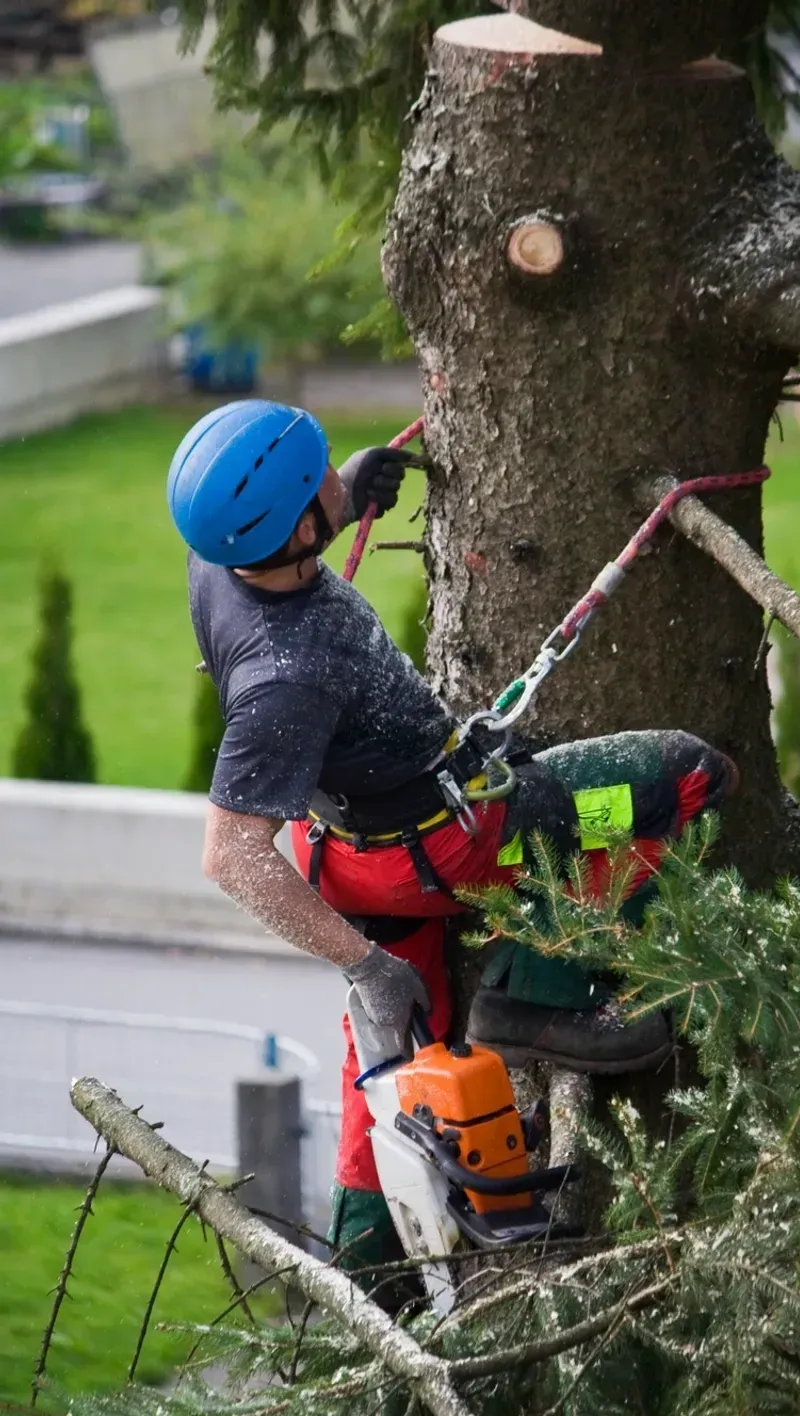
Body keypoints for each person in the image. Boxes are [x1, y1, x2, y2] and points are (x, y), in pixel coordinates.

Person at [168, 399, 739, 1272]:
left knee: (391, 1073)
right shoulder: (287, 676)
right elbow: (230, 853)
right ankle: (540, 994)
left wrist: (346, 498)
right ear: (289, 528)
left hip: (351, 861)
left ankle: (370, 1264)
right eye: (318, 482)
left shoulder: (216, 559)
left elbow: (280, 536)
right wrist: (361, 963)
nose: (334, 479)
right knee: (677, 779)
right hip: (447, 849)